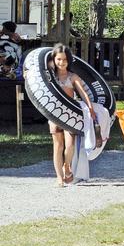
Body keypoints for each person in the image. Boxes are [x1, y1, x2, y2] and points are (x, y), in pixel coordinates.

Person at [48, 43, 97, 187]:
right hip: (55, 113)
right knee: (58, 145)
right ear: (54, 60)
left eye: (64, 59)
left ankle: (67, 166)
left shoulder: (72, 76)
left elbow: (82, 92)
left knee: (70, 145)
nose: (61, 62)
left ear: (69, 61)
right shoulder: (50, 75)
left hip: (70, 113)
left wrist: (90, 108)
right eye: (58, 59)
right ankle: (59, 177)